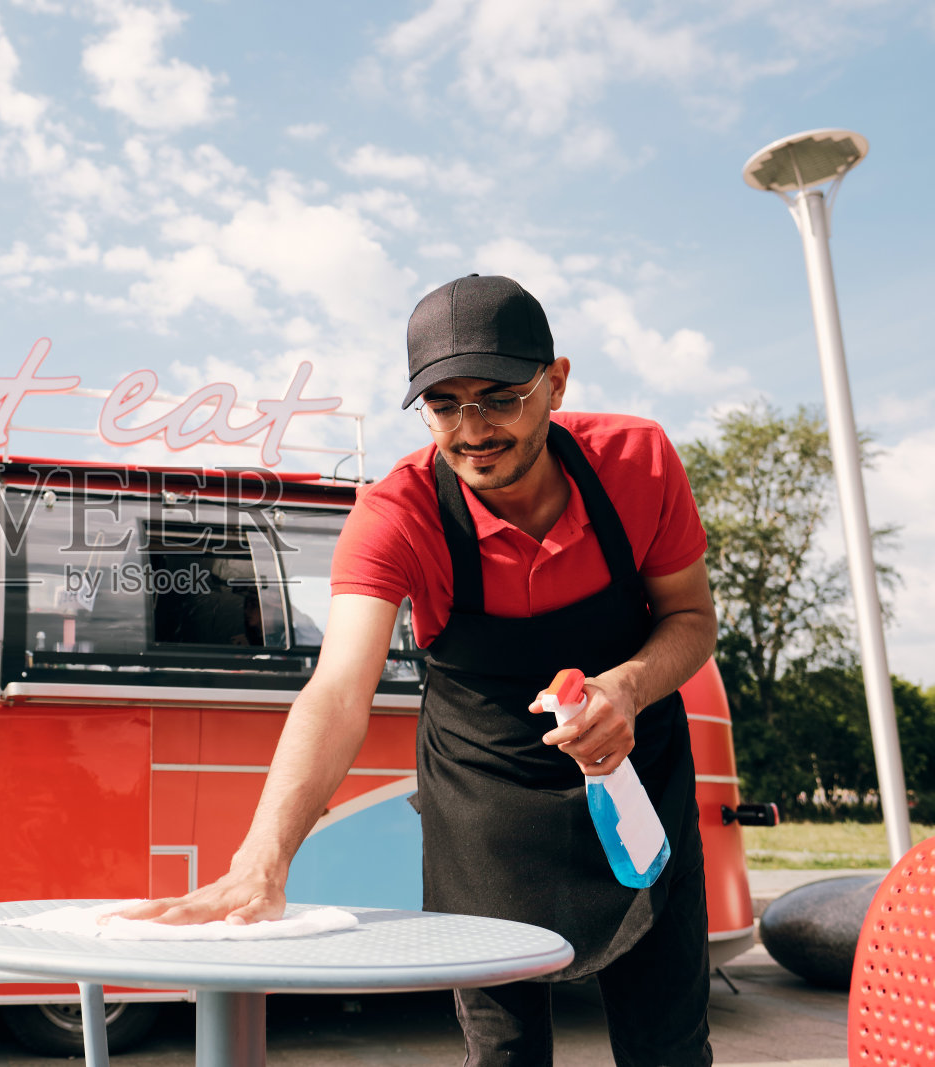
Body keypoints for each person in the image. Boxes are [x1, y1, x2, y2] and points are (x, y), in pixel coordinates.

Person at [118, 274, 717, 1067]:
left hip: (637, 783)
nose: (472, 429)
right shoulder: (394, 513)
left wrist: (627, 688)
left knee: (669, 1049)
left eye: (499, 397)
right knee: (504, 1055)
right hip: (485, 801)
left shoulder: (637, 462)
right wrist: (261, 861)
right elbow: (337, 690)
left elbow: (692, 619)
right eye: (443, 404)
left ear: (557, 381)